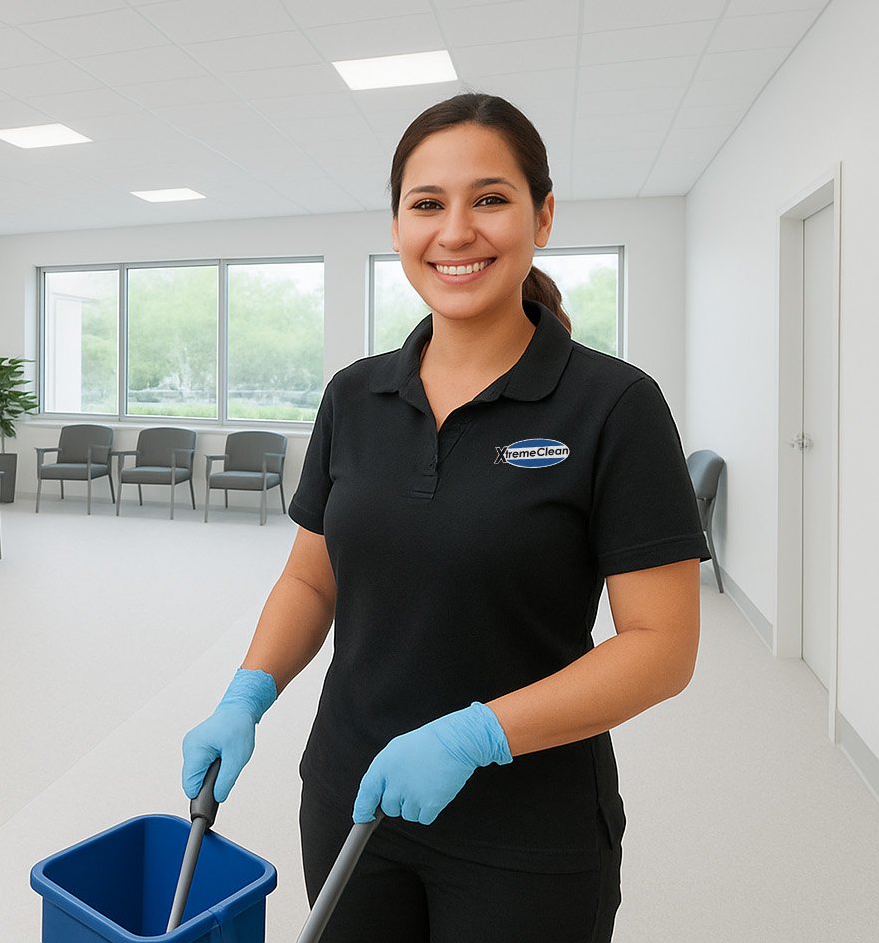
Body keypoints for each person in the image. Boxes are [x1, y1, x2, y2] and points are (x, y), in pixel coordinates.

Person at [180, 93, 709, 942]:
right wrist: (246, 694)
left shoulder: (614, 405)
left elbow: (662, 647)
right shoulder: (354, 396)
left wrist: (478, 735)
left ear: (541, 215)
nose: (455, 232)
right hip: (352, 802)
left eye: (490, 199)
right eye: (427, 204)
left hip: (530, 825)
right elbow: (313, 579)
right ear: (397, 228)